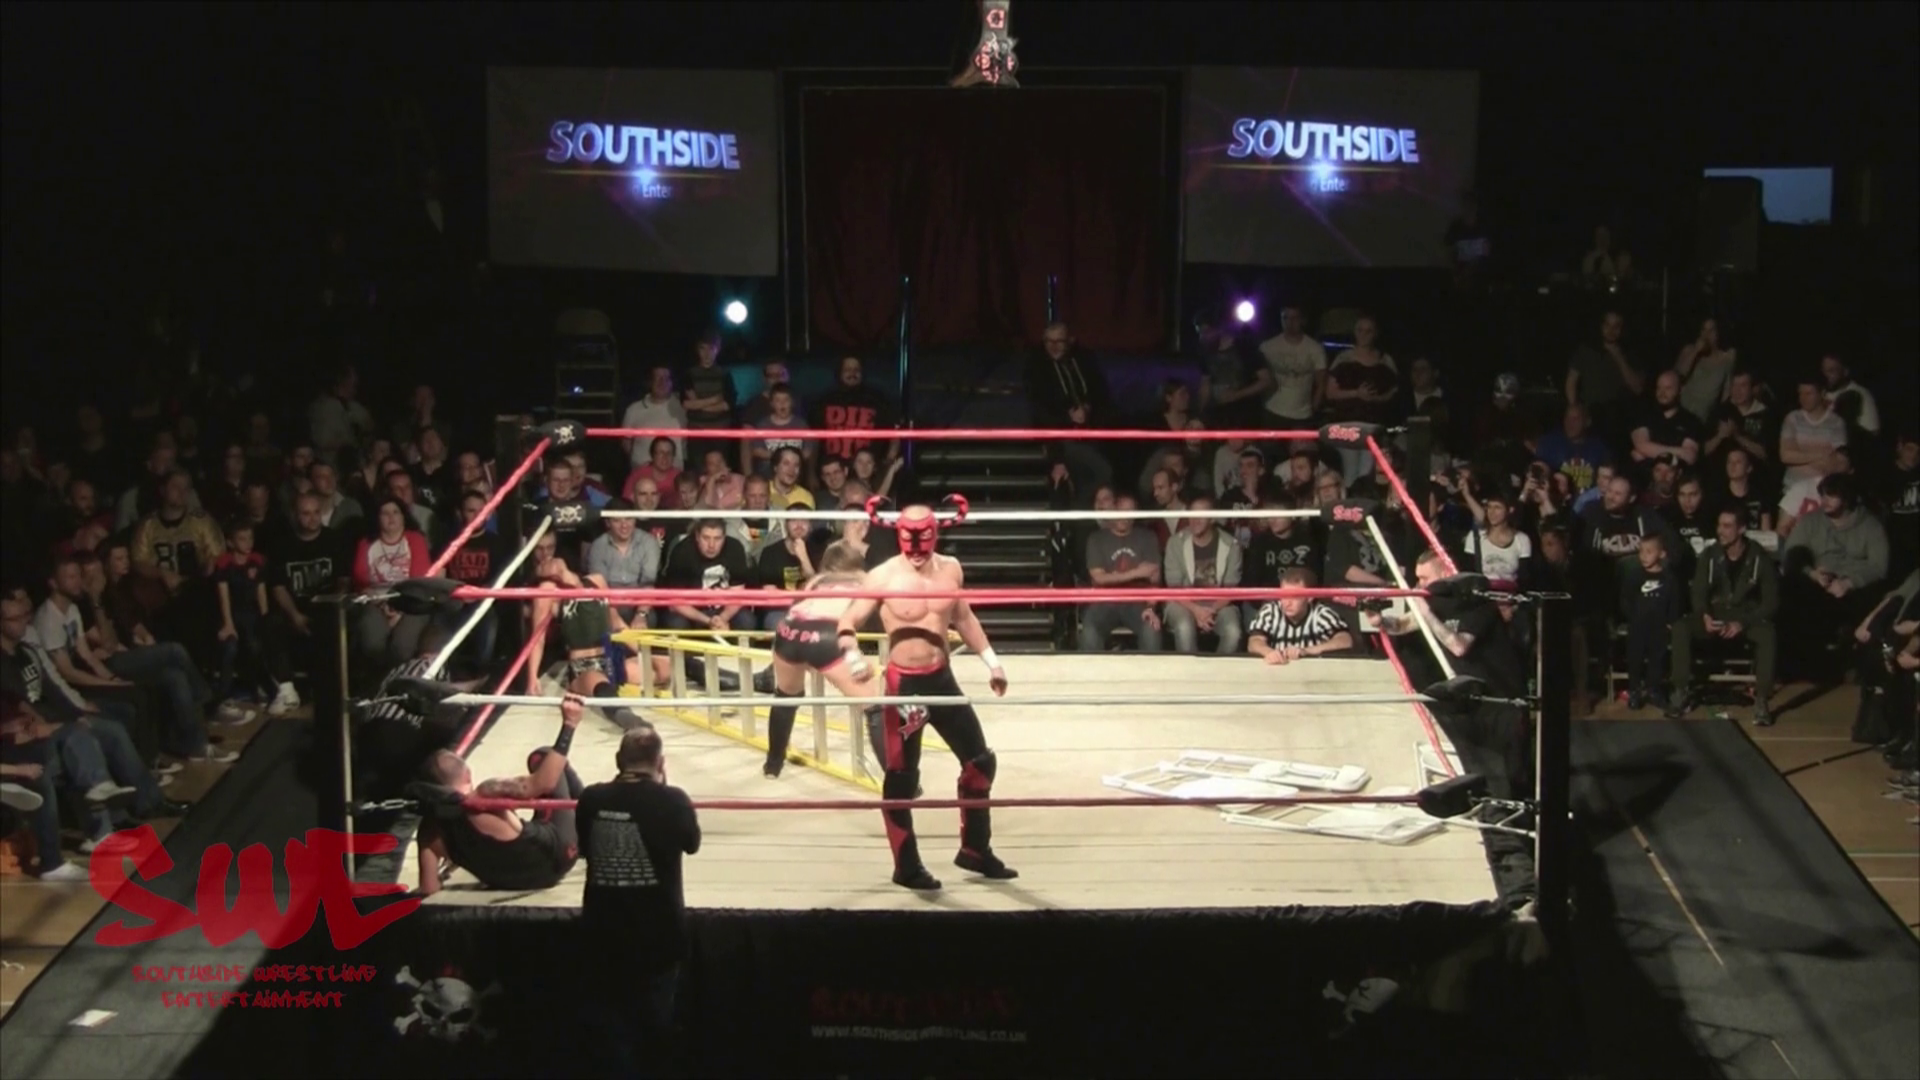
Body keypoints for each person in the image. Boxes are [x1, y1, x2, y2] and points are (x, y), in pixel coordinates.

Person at [833, 502, 1015, 891]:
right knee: (901, 779)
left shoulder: (951, 569)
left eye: (924, 541)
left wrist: (993, 663)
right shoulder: (883, 576)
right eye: (909, 542)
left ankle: (975, 849)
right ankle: (906, 865)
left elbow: (963, 617)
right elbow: (847, 621)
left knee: (980, 762)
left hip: (942, 680)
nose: (916, 551)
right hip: (905, 687)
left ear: (935, 535)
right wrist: (854, 659)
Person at [578, 720, 701, 1076]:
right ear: (660, 763)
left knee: (611, 1037)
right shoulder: (673, 800)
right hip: (658, 937)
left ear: (619, 760)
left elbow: (584, 848)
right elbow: (691, 844)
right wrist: (663, 789)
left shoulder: (591, 798)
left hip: (603, 934)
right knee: (656, 1033)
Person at [415, 694, 586, 893]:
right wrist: (569, 725)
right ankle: (596, 823)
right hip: (558, 858)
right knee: (542, 756)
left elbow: (429, 888)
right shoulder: (485, 795)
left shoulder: (428, 831)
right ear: (468, 774)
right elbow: (544, 783)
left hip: (506, 882)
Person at [762, 541, 885, 779]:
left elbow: (798, 608)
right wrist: (855, 658)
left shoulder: (816, 581)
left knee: (785, 697)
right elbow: (857, 624)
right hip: (827, 634)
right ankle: (900, 782)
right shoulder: (866, 580)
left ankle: (772, 765)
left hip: (788, 630)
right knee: (876, 708)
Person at [1667, 509, 1779, 725]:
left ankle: (1762, 700)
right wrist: (1704, 615)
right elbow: (1698, 592)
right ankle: (1680, 691)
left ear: (1742, 529)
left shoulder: (1759, 557)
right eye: (1719, 525)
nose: (1720, 531)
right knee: (1681, 627)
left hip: (1746, 615)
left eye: (1727, 526)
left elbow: (1771, 602)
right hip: (1716, 612)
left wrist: (1742, 622)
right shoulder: (1710, 554)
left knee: (1768, 634)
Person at [1246, 568, 1354, 663]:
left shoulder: (1321, 613)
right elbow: (1254, 642)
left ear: (1310, 597)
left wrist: (1306, 651)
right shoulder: (1270, 611)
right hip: (1277, 671)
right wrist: (1269, 653)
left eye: (1294, 597)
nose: (1287, 603)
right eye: (1283, 595)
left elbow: (1345, 640)